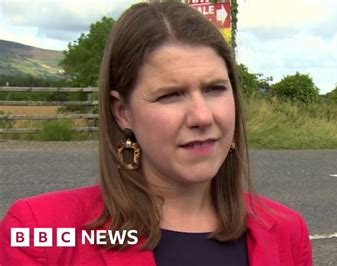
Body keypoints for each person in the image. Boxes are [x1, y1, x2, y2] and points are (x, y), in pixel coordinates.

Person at [0, 1, 312, 265]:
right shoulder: (39, 232)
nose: (202, 116)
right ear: (122, 112)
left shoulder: (287, 231)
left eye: (215, 89)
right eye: (170, 95)